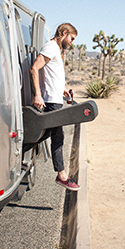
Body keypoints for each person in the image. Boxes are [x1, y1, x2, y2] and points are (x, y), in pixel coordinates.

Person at [29, 23, 80, 191]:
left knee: (48, 133)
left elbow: (51, 74)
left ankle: (21, 149)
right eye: (71, 38)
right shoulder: (51, 47)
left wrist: (62, 90)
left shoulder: (56, 49)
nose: (72, 42)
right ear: (64, 33)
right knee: (57, 136)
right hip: (50, 100)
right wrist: (38, 94)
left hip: (55, 97)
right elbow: (35, 68)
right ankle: (62, 176)